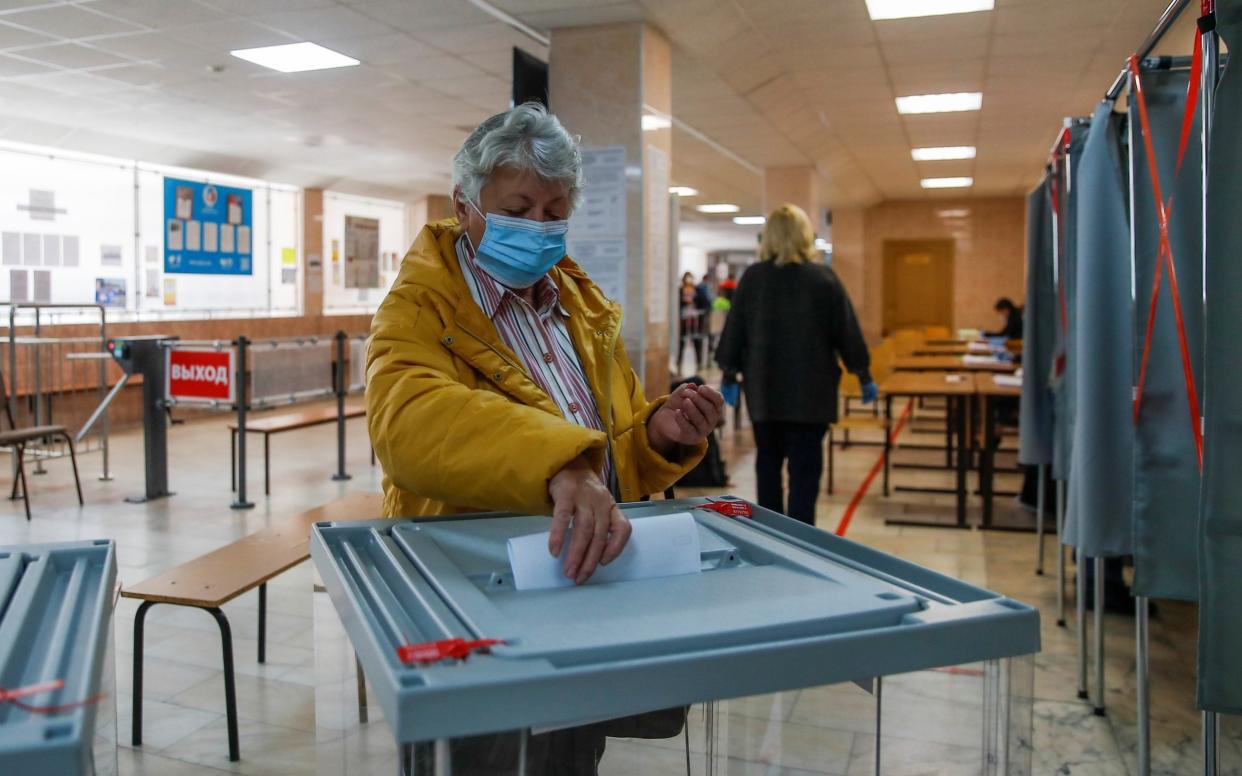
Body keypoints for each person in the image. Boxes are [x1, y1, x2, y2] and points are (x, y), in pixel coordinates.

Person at [367, 102, 722, 774]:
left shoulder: (579, 308)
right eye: (519, 207)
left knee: (566, 755)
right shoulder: (421, 305)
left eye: (555, 213)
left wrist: (657, 433)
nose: (538, 228)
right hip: (471, 598)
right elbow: (409, 420)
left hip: (574, 589)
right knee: (484, 758)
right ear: (465, 204)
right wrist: (559, 466)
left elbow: (607, 447)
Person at [715, 204, 875, 527]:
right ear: (806, 237)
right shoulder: (824, 279)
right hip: (811, 397)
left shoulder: (754, 278)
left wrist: (729, 373)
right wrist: (863, 373)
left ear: (769, 237)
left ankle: (773, 537)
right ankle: (802, 540)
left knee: (768, 465)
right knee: (805, 472)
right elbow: (847, 331)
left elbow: (735, 329)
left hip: (765, 393)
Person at [677, 271, 703, 369]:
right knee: (681, 341)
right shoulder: (680, 290)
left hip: (694, 320)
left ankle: (698, 361)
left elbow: (701, 301)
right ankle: (679, 361)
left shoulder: (696, 290)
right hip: (683, 319)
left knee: (696, 340)